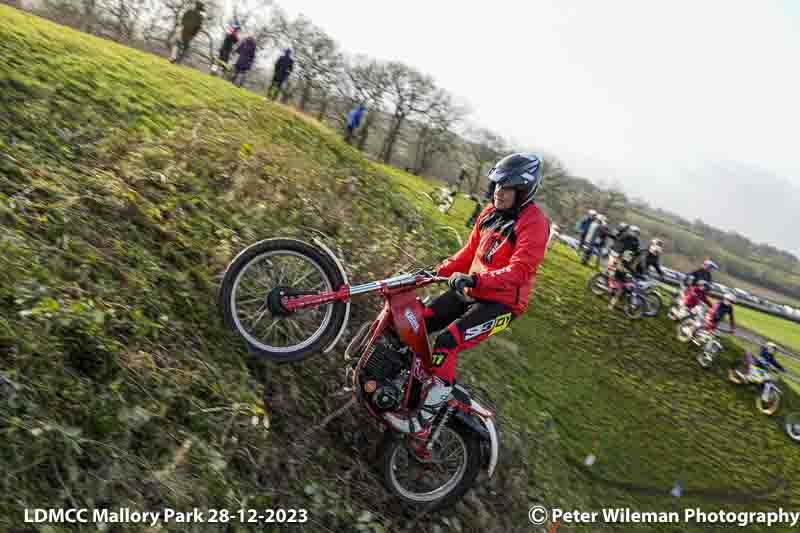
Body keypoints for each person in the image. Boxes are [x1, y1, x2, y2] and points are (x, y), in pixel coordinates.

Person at [382, 153, 551, 459]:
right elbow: (467, 254)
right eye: (497, 184)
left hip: (502, 305)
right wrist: (434, 272)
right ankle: (400, 385)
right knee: (414, 322)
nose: (498, 191)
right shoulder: (489, 212)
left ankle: (422, 422)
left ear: (524, 191)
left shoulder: (535, 224)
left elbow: (520, 271)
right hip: (471, 289)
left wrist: (475, 282)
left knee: (447, 341)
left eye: (507, 187)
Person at [607, 225, 642, 310]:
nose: (635, 234)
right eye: (634, 232)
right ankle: (611, 290)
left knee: (623, 285)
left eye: (637, 233)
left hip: (624, 263)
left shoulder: (635, 242)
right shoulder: (625, 237)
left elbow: (635, 254)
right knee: (613, 273)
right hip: (618, 258)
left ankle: (613, 301)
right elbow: (617, 243)